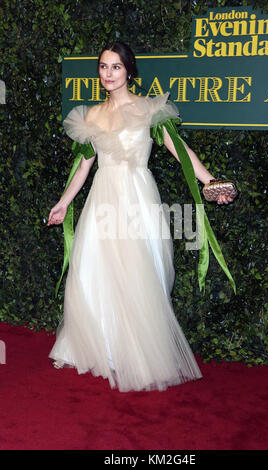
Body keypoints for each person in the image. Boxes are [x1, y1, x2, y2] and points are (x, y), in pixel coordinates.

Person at [47, 41, 235, 392]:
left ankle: (134, 352)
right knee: (92, 271)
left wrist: (210, 181)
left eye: (116, 67)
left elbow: (181, 152)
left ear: (129, 71)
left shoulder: (149, 109)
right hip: (102, 200)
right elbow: (83, 167)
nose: (108, 73)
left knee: (139, 273)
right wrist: (63, 202)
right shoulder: (91, 116)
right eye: (103, 67)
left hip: (137, 198)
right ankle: (95, 349)